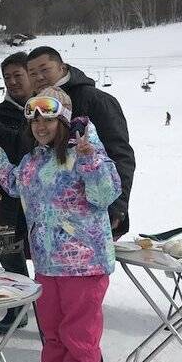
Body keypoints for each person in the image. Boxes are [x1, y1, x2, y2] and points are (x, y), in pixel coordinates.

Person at [0, 88, 120, 362]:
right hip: (47, 265)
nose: (40, 126)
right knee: (54, 339)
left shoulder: (87, 151)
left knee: (80, 344)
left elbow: (105, 195)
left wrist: (89, 160)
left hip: (84, 266)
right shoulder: (34, 159)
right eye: (35, 120)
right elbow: (16, 185)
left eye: (49, 119)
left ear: (65, 119)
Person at [26, 47, 135, 239]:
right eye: (32, 73)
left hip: (92, 214)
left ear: (62, 67)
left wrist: (118, 207)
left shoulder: (95, 100)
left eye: (44, 69)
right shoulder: (38, 105)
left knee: (90, 266)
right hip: (53, 220)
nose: (39, 77)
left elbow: (120, 154)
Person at [0, 52, 34, 334]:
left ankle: (48, 305)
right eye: (7, 77)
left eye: (18, 75)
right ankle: (17, 307)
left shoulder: (44, 107)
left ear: (30, 75)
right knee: (7, 252)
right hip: (11, 198)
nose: (13, 82)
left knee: (43, 253)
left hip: (41, 198)